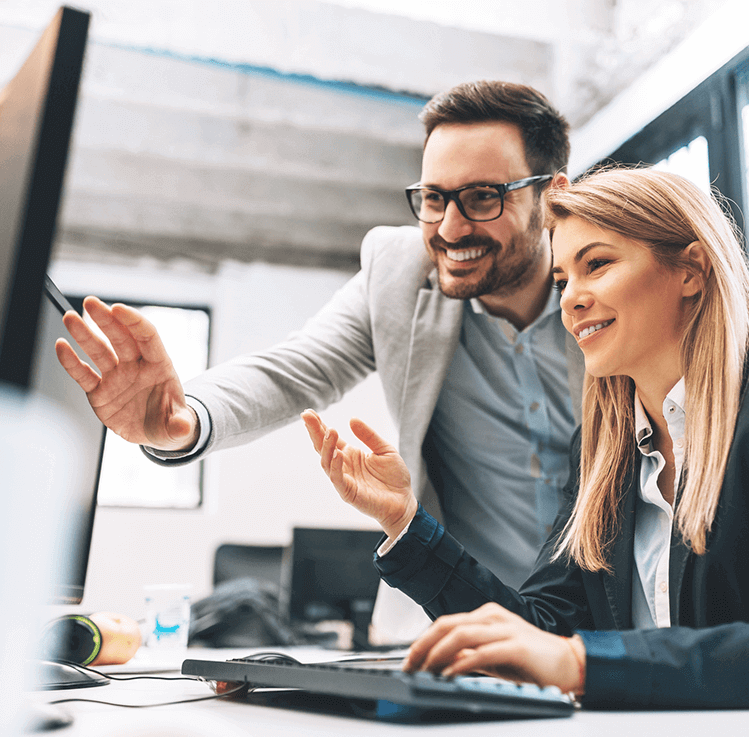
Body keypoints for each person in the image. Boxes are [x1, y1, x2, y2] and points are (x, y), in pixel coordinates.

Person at [55, 80, 582, 638]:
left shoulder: (611, 287)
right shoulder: (400, 275)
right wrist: (186, 417)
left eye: (482, 198)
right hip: (461, 622)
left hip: (607, 622)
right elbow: (295, 369)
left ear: (551, 196)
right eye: (433, 198)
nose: (450, 228)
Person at [301, 167, 749, 708]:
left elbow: (567, 656)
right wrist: (404, 521)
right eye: (563, 281)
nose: (571, 300)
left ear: (692, 271)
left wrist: (582, 664)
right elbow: (539, 632)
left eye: (598, 265)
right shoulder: (604, 453)